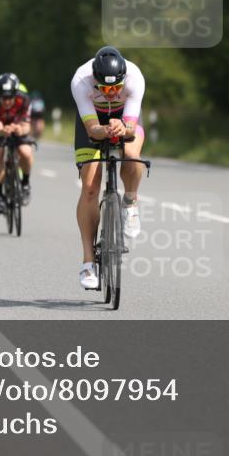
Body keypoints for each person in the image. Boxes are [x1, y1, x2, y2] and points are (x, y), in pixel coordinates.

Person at [71, 46, 146, 290]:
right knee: (90, 186)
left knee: (132, 156)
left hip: (125, 118)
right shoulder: (81, 81)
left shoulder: (135, 78)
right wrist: (102, 130)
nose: (112, 93)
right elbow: (92, 130)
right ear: (95, 81)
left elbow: (132, 130)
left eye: (116, 88)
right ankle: (88, 262)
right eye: (105, 89)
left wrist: (122, 128)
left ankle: (130, 202)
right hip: (93, 120)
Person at [0, 72, 34, 214]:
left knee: (25, 151)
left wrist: (20, 129)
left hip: (18, 125)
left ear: (16, 94)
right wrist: (3, 131)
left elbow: (27, 125)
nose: (6, 101)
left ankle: (25, 184)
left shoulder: (24, 99)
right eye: (3, 97)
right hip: (0, 127)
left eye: (10, 97)